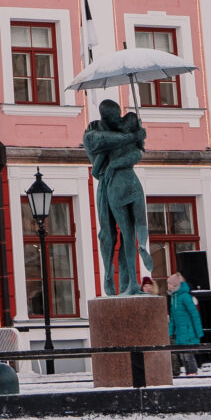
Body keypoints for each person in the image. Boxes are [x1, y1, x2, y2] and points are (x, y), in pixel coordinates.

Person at [83, 101, 149, 295]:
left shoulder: (121, 133)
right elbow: (102, 142)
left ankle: (127, 283)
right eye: (114, 117)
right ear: (105, 117)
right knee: (108, 236)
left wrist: (136, 139)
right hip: (106, 185)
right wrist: (133, 136)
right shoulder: (92, 133)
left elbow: (136, 154)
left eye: (119, 116)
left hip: (122, 182)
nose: (118, 120)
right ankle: (109, 280)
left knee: (128, 234)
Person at [163, 271, 203, 375]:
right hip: (180, 332)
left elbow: (194, 314)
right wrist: (170, 332)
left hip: (188, 330)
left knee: (188, 354)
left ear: (175, 285)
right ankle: (189, 373)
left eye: (170, 284)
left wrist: (198, 332)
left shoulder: (185, 296)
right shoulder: (174, 297)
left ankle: (192, 373)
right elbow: (173, 318)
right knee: (182, 355)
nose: (168, 285)